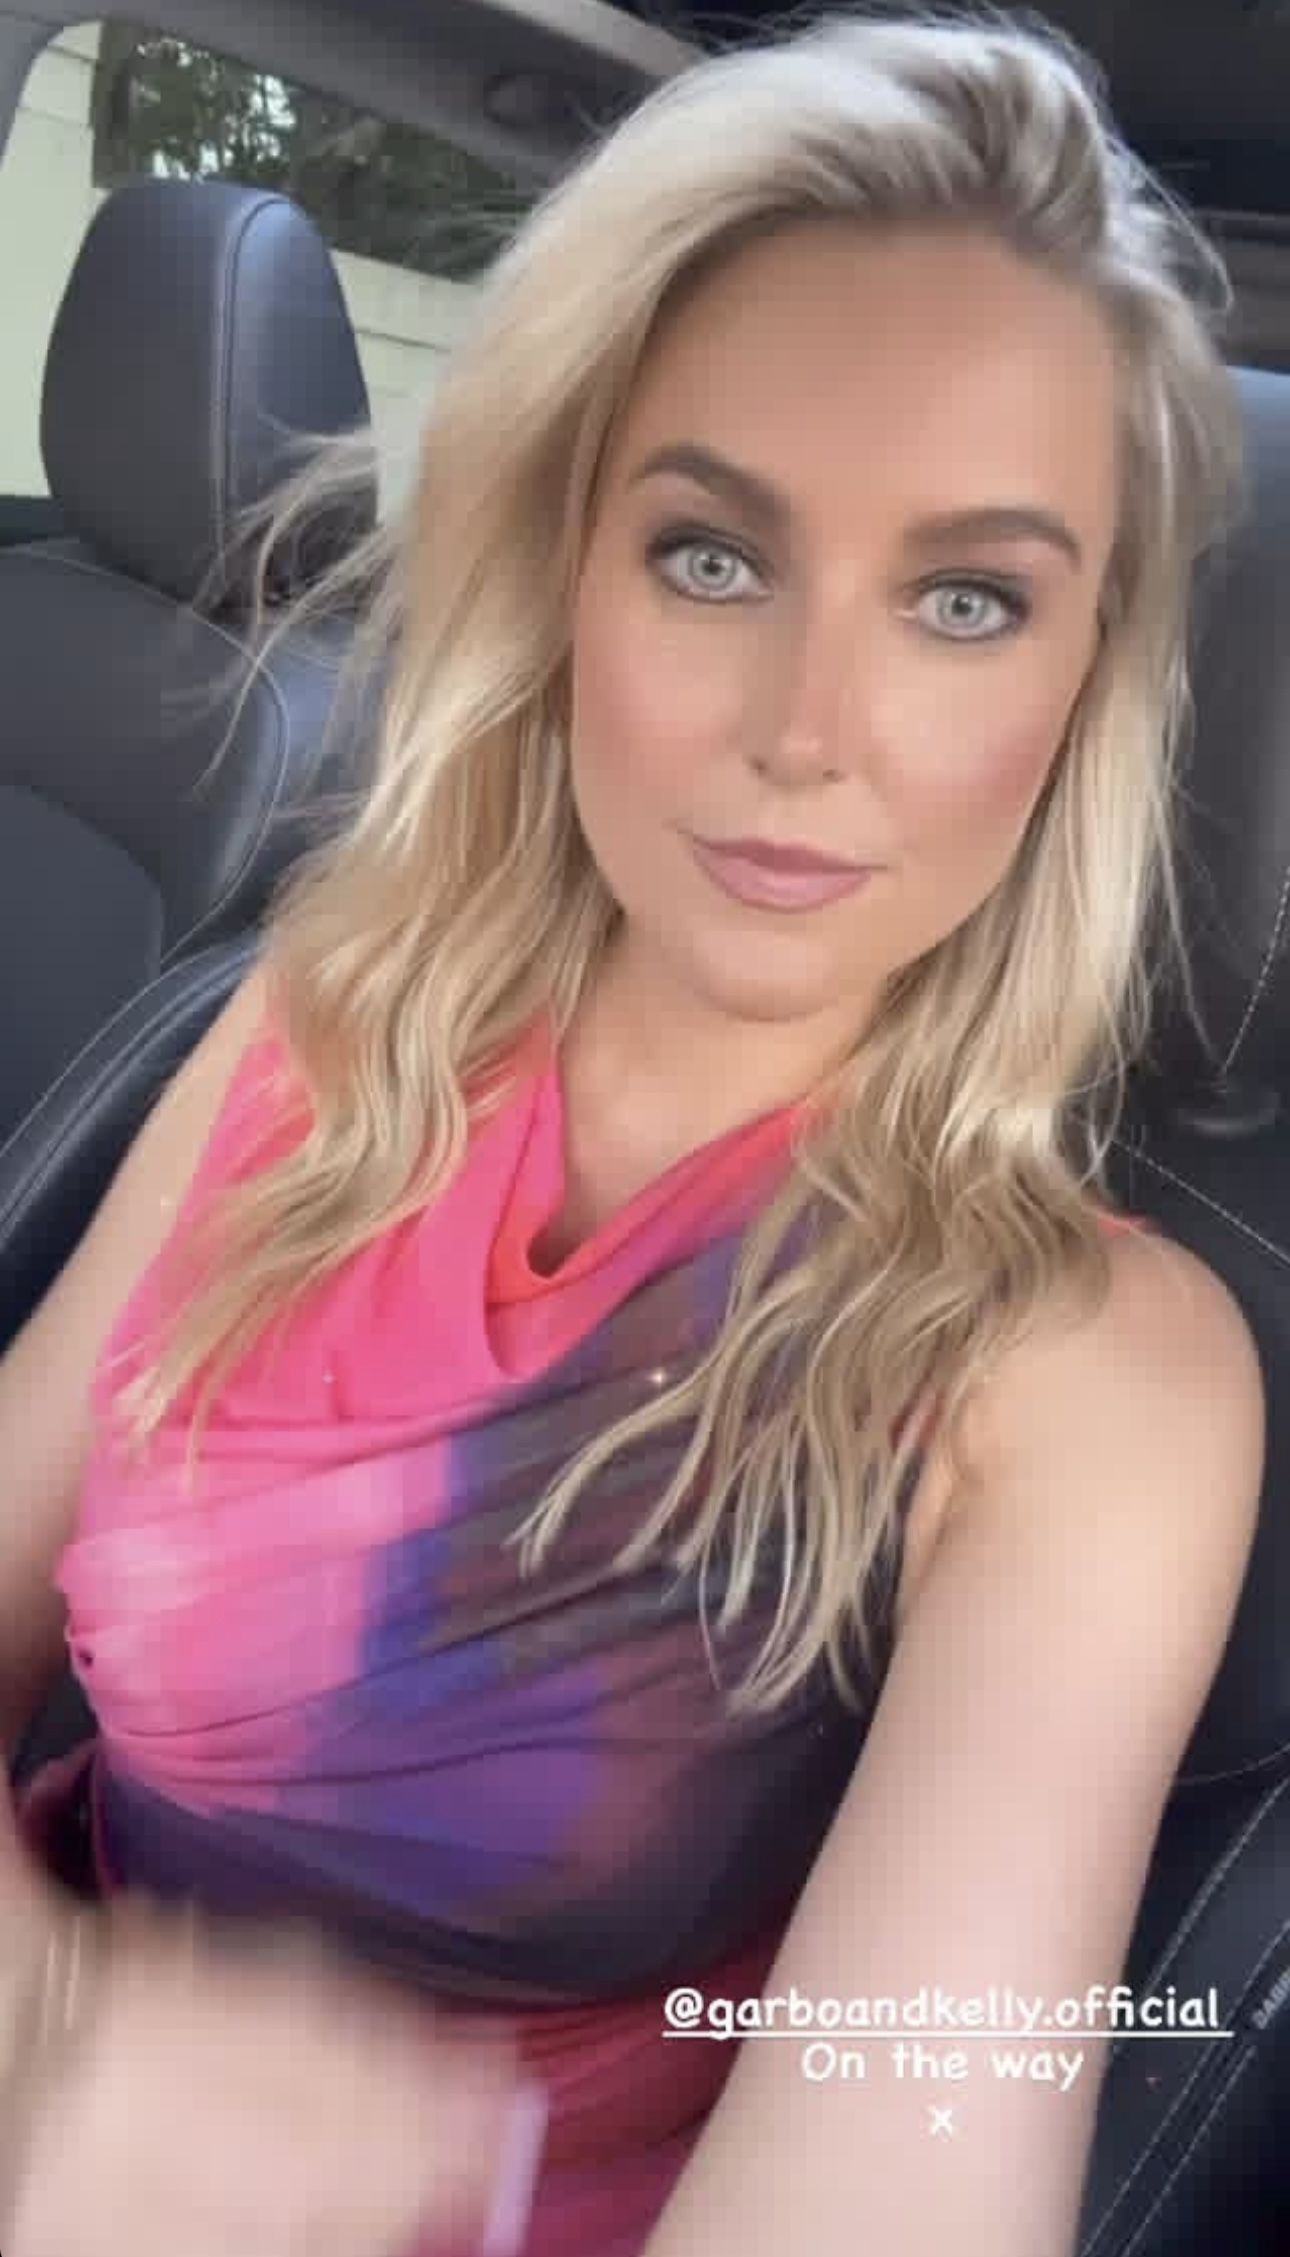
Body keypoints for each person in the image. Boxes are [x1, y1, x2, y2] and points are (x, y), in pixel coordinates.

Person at [0, 9, 1267, 2256]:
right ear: (563, 563)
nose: (809, 731)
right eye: (710, 557)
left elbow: (901, 2158)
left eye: (964, 601)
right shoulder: (322, 1026)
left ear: (1084, 683)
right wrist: (72, 2033)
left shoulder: (1090, 1375)